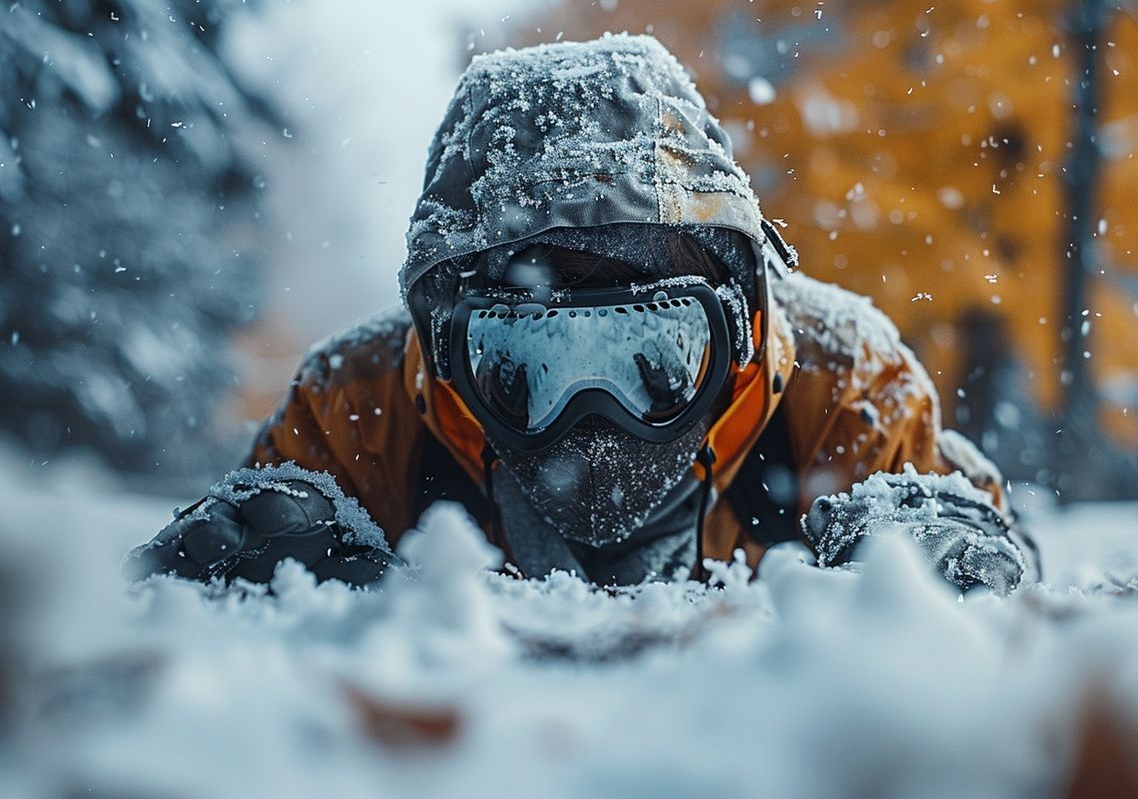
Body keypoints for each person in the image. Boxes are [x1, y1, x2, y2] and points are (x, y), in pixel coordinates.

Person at [124, 35, 1031, 593]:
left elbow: (982, 562)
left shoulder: (839, 387)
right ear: (442, 354)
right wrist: (256, 542)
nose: (594, 425)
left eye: (656, 356)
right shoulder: (360, 406)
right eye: (526, 363)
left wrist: (935, 542)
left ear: (745, 329)